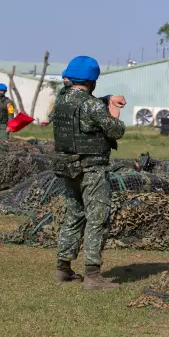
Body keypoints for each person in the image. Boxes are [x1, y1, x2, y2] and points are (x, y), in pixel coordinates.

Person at [49, 56, 126, 290]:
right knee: (97, 218)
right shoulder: (92, 106)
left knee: (74, 214)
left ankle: (63, 268)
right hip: (92, 168)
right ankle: (93, 276)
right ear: (93, 81)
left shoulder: (61, 101)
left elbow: (81, 103)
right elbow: (116, 130)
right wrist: (113, 109)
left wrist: (106, 99)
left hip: (68, 167)